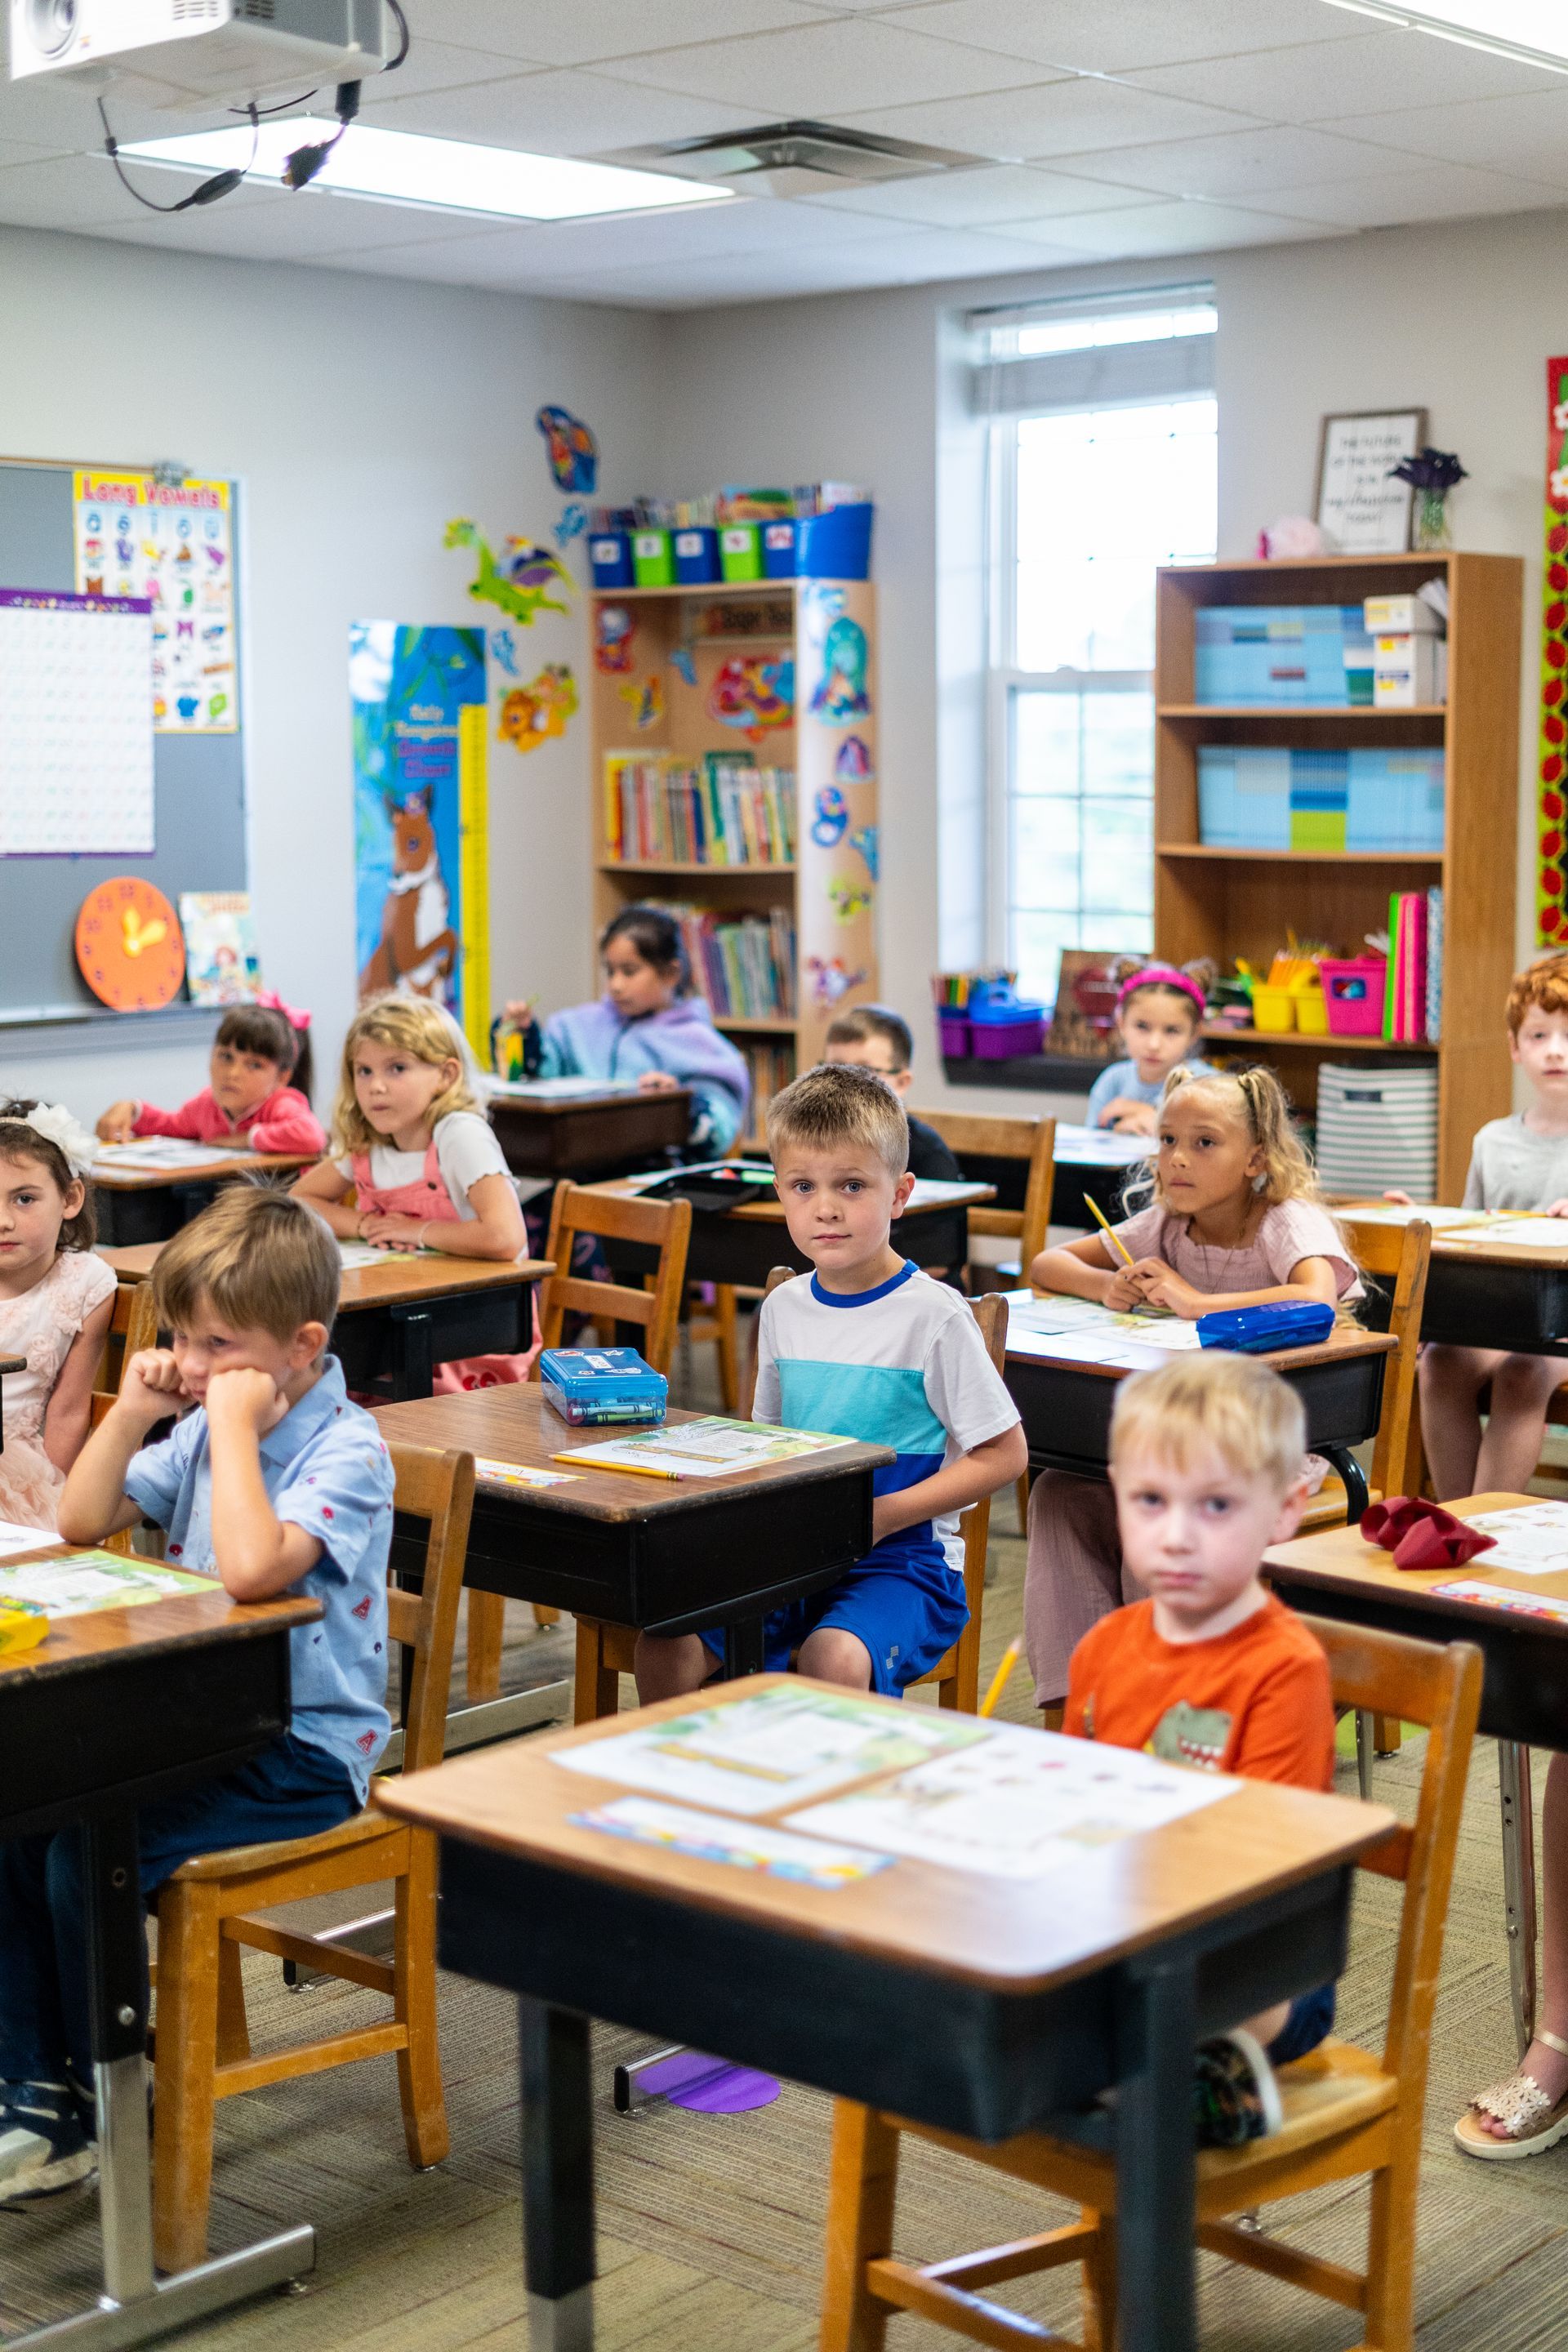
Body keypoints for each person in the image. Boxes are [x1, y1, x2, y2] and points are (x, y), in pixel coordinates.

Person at [0, 1187, 393, 2202]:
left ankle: (109, 2087)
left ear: (302, 1346)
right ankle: (39, 2091)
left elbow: (258, 1569)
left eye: (218, 1343)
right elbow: (81, 1521)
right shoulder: (203, 1417)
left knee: (89, 1859)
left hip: (304, 1752)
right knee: (21, 1816)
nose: (195, 1361)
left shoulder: (345, 1450)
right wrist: (136, 1410)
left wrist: (225, 1427)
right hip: (193, 1723)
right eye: (182, 1337)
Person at [633, 1063, 1026, 1702]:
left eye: (851, 1185)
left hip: (905, 1559)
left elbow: (1006, 1454)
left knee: (833, 1656)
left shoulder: (935, 1316)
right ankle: (686, 1790)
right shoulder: (784, 1308)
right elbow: (767, 1447)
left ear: (900, 1195)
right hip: (794, 1550)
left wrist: (880, 1516)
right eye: (802, 1186)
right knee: (666, 1638)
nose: (826, 1208)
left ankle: (841, 1796)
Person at [1023, 1066, 1361, 1716]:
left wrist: (1200, 1302)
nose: (1177, 1159)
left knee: (1159, 1508)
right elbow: (1046, 1265)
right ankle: (1081, 1705)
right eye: (1167, 1140)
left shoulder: (1283, 1220)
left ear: (1256, 1157)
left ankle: (1162, 1699)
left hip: (1271, 1446)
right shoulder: (1166, 1224)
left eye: (1204, 1143)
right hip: (1177, 1435)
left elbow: (1316, 1296)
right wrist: (1107, 1285)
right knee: (1060, 1492)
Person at [1065, 1352, 1334, 2145]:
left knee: (1168, 2004)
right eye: (1150, 1500)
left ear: (1284, 1511)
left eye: (1216, 1505)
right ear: (1118, 1493)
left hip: (1257, 1950)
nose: (1175, 1536)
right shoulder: (1105, 1645)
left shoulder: (1285, 1667)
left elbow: (1264, 1877)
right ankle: (1145, 2065)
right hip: (1130, 1920)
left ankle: (1193, 2072)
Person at [293, 993, 534, 1388]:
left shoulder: (459, 1134)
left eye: (397, 1068)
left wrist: (415, 1231)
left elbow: (506, 1238)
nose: (376, 1087)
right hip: (395, 1316)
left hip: (471, 1331)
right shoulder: (371, 1142)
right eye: (364, 1071)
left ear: (446, 1075)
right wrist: (366, 1223)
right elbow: (300, 1201)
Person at [1408, 953, 1568, 1498]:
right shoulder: (1492, 1140)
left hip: (1560, 1328)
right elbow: (1472, 1232)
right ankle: (1457, 1527)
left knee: (1524, 1373)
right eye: (1539, 1034)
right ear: (1515, 1047)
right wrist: (1422, 1221)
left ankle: (1483, 1528)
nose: (1555, 1049)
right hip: (1499, 1315)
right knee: (1440, 1364)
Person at [505, 905, 751, 1156]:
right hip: (582, 1171)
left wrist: (681, 1107)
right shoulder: (577, 1026)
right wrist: (525, 1036)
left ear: (671, 974)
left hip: (657, 1177)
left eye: (629, 972)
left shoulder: (699, 1042)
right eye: (610, 971)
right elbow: (541, 1073)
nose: (616, 984)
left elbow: (721, 1128)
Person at [0, 1101, 116, 1530]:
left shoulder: (85, 1284)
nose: (3, 1221)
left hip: (22, 1474)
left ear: (70, 1198)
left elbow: (69, 1411)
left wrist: (57, 1494)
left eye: (24, 1199)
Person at [96, 999, 323, 1156]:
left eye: (254, 1065)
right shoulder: (206, 1104)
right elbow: (172, 1126)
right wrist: (133, 1110)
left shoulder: (281, 1104)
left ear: (282, 1077)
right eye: (225, 1057)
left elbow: (311, 1135)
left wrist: (246, 1139)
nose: (233, 1073)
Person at [822, 1004, 961, 1182]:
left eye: (864, 1071)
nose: (846, 1083)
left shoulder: (928, 1158)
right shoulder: (804, 1139)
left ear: (901, 1083)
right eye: (835, 1069)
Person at [1085, 965, 1215, 1136]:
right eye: (1142, 1026)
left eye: (1171, 1031)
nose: (1154, 1045)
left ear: (1195, 1033)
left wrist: (1152, 1117)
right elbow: (1090, 1146)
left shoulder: (1211, 1087)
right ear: (1121, 1023)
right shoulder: (1112, 1081)